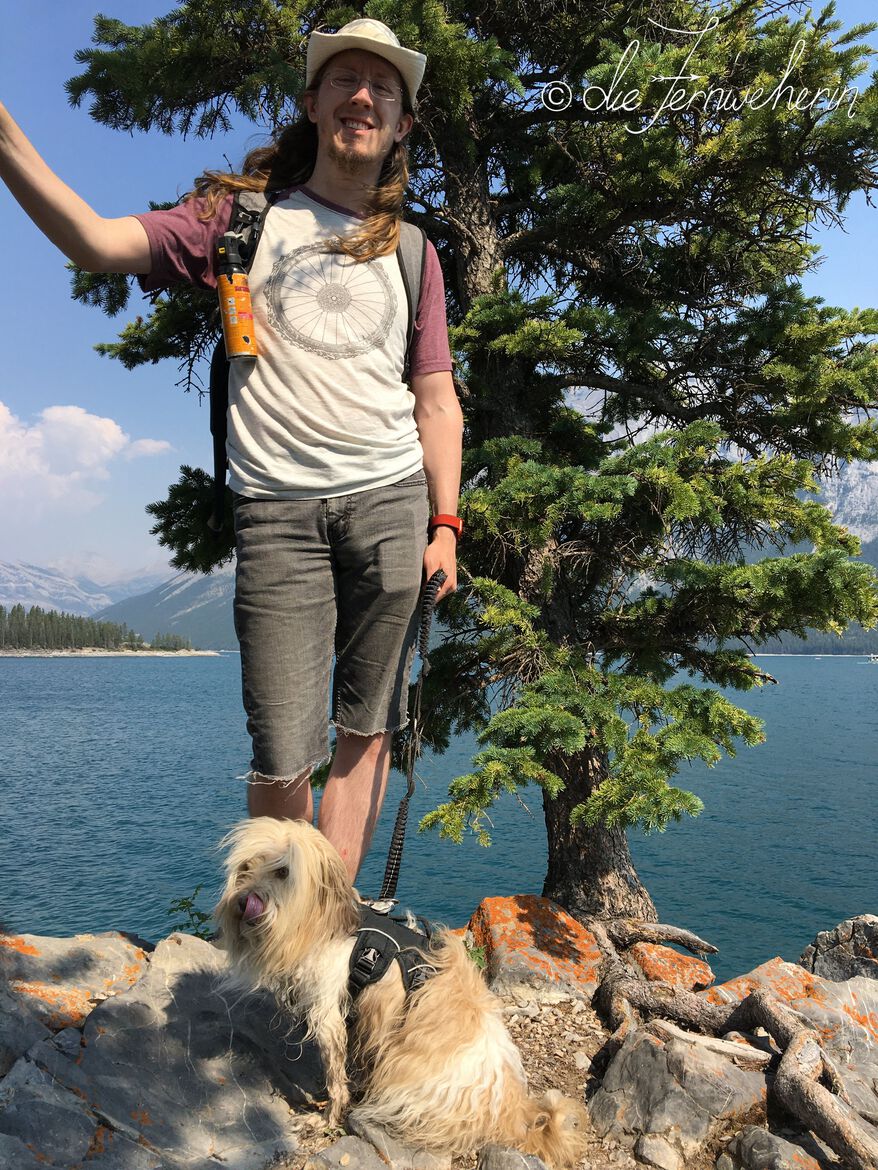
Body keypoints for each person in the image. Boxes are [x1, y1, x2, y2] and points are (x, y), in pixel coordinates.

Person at [0, 19, 463, 882]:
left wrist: (445, 523)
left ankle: (327, 928)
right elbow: (95, 242)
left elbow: (436, 398)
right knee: (284, 747)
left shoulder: (413, 252)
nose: (363, 96)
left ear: (401, 122)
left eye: (383, 87)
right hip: (279, 510)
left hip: (392, 501)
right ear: (313, 102)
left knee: (368, 730)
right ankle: (277, 934)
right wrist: (8, 145)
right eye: (345, 79)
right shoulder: (242, 220)